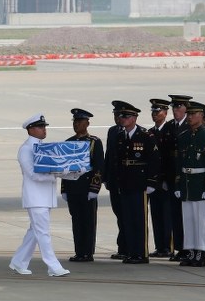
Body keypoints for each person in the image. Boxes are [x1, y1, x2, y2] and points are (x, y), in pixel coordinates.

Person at [10, 114, 70, 277]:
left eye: (45, 127)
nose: (44, 130)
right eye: (41, 127)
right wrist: (56, 174)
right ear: (31, 129)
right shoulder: (26, 149)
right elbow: (32, 174)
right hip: (36, 198)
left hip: (44, 197)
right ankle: (53, 266)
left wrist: (67, 172)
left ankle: (18, 262)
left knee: (34, 232)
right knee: (43, 232)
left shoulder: (43, 148)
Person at [107, 102, 160, 264]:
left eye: (126, 116)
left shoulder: (145, 136)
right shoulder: (120, 136)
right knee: (127, 219)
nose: (122, 119)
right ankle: (131, 251)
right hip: (125, 183)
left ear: (135, 118)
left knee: (139, 219)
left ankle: (141, 253)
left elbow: (154, 160)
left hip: (140, 183)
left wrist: (152, 182)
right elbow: (115, 160)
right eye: (121, 116)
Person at [173, 102, 205, 267]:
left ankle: (201, 252)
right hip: (187, 183)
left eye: (193, 114)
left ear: (202, 116)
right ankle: (191, 251)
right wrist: (178, 185)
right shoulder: (184, 136)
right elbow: (179, 164)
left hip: (200, 184)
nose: (190, 117)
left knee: (201, 220)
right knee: (188, 219)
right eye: (189, 114)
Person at [60, 109, 103, 262]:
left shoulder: (94, 142)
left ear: (87, 123)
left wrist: (94, 188)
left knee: (88, 221)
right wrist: (64, 189)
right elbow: (64, 168)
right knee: (76, 221)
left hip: (86, 189)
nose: (76, 124)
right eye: (75, 121)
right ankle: (79, 251)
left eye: (80, 121)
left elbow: (98, 167)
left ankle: (87, 252)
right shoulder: (68, 142)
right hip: (73, 189)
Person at [164, 94, 191, 261]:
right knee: (175, 215)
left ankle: (188, 248)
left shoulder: (190, 127)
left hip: (186, 179)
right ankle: (180, 247)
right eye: (174, 108)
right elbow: (165, 155)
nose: (175, 111)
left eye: (179, 108)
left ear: (186, 109)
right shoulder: (169, 127)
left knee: (186, 215)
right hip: (172, 177)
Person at [146, 99, 174, 258]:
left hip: (165, 181)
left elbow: (168, 158)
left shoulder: (170, 130)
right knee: (156, 215)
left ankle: (168, 246)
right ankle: (160, 246)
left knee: (166, 215)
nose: (155, 114)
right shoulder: (150, 133)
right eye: (153, 112)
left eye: (158, 112)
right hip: (153, 182)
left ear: (165, 113)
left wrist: (165, 179)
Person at [104, 102, 127, 259]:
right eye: (115, 115)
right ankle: (122, 246)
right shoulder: (112, 131)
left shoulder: (133, 132)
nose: (117, 118)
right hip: (114, 181)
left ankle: (128, 247)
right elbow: (108, 156)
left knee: (128, 215)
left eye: (120, 115)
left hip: (127, 182)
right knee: (119, 214)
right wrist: (105, 177)